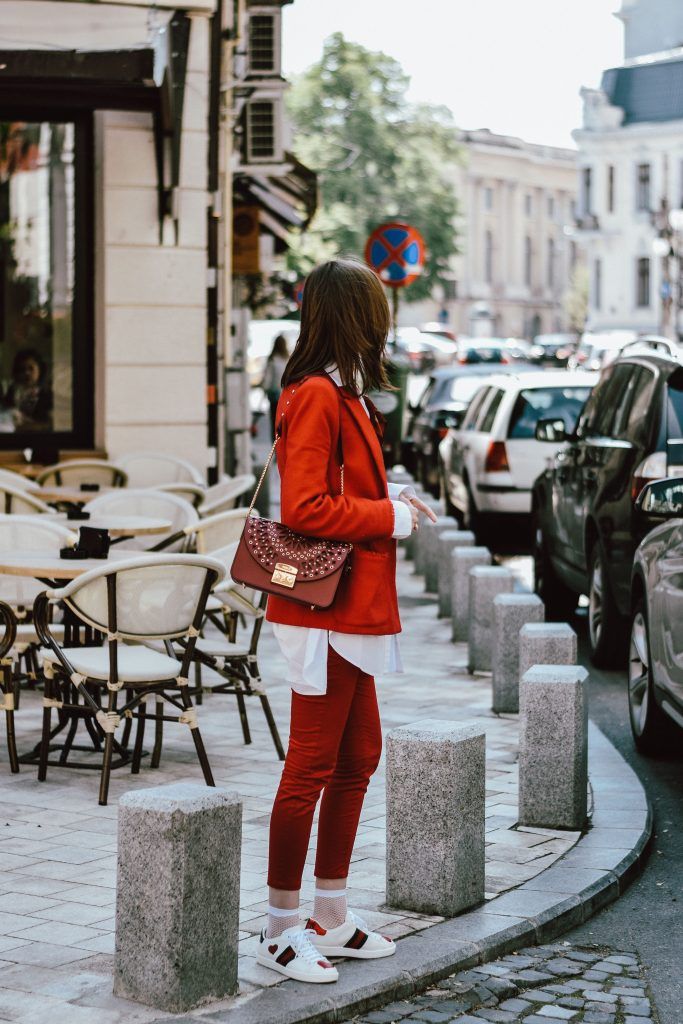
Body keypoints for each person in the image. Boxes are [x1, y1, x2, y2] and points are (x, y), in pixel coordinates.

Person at [257, 257, 437, 984]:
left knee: (357, 757)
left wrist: (384, 490)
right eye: (375, 309)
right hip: (325, 605)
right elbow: (303, 509)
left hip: (346, 606)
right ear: (355, 316)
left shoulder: (341, 392)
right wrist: (388, 514)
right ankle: (278, 928)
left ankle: (328, 911)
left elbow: (330, 488)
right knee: (310, 765)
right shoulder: (318, 396)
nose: (384, 321)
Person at [4, 348, 53, 432]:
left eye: (31, 368)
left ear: (40, 370)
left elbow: (49, 423)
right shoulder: (12, 391)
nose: (27, 373)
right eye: (22, 369)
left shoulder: (46, 393)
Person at [261, 334, 290, 438]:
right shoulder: (288, 360)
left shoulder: (272, 360)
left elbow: (267, 381)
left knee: (275, 422)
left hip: (274, 396)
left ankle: (276, 447)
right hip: (287, 396)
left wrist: (264, 389)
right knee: (286, 423)